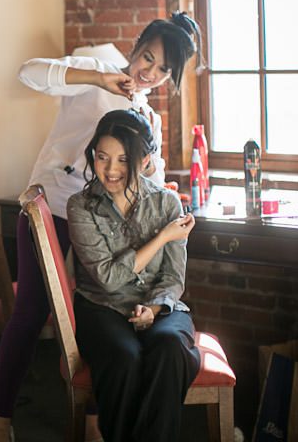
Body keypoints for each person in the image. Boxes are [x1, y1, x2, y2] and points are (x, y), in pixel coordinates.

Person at [0, 12, 201, 442]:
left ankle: (95, 424)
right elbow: (28, 73)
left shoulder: (149, 118)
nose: (150, 74)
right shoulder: (97, 74)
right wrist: (98, 80)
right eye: (147, 59)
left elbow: (151, 189)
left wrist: (155, 170)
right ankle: (0, 421)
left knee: (110, 305)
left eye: (163, 71)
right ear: (136, 46)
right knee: (31, 311)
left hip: (104, 227)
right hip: (53, 208)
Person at [67, 109, 200, 441]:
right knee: (124, 357)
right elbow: (109, 279)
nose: (111, 170)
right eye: (102, 157)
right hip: (102, 307)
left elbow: (173, 278)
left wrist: (153, 310)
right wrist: (163, 237)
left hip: (159, 307)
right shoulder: (80, 207)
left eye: (123, 159)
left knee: (170, 347)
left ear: (143, 161)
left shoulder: (167, 203)